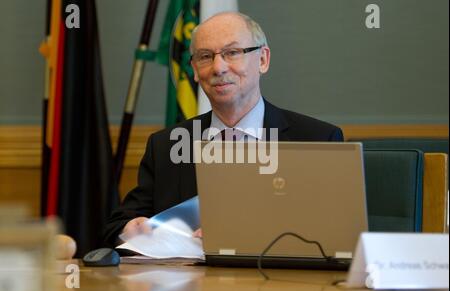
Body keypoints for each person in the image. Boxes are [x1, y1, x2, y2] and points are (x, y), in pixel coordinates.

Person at [104, 12, 343, 246]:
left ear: (262, 60)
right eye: (205, 56)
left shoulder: (318, 140)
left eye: (232, 53)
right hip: (191, 283)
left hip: (284, 282)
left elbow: (338, 233)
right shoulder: (167, 146)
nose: (218, 68)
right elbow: (115, 227)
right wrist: (133, 229)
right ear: (195, 70)